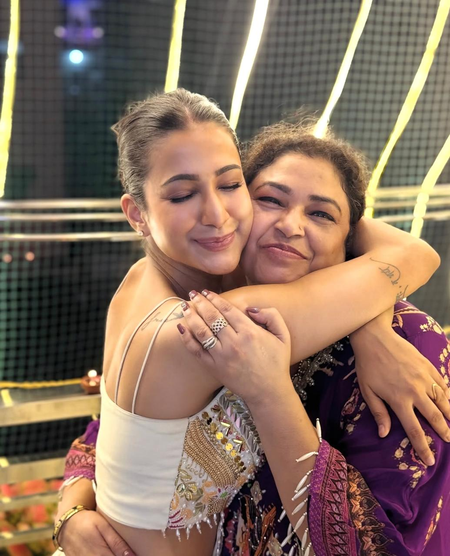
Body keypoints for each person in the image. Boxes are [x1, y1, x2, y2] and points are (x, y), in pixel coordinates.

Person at [52, 90, 445, 556]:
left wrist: (371, 325)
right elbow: (413, 254)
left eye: (229, 184)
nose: (217, 215)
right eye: (182, 194)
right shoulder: (210, 323)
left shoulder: (145, 280)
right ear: (137, 213)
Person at [178, 120, 450, 555]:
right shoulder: (208, 307)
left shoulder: (408, 344)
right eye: (270, 200)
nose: (291, 226)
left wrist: (271, 391)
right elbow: (131, 419)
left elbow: (381, 546)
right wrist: (74, 509)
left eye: (321, 214)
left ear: (350, 243)